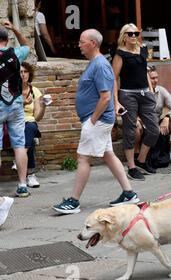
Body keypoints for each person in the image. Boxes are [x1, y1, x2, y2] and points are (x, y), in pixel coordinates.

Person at [53, 29, 140, 215]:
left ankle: (74, 202)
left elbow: (105, 97)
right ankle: (129, 193)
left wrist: (92, 121)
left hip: (97, 120)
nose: (79, 45)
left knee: (83, 158)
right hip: (98, 119)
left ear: (93, 43)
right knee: (108, 154)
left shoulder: (100, 65)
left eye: (82, 41)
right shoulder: (96, 63)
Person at [112, 23, 160, 181]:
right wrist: (116, 101)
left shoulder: (143, 49)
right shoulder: (120, 54)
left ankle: (141, 160)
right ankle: (132, 167)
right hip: (128, 95)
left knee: (154, 129)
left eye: (136, 33)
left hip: (145, 93)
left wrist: (151, 90)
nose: (133, 36)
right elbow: (114, 78)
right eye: (130, 33)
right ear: (124, 36)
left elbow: (144, 69)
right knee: (130, 130)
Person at [0, 21, 31, 198]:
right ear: (6, 39)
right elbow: (27, 44)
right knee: (19, 145)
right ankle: (22, 185)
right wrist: (15, 29)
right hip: (16, 105)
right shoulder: (16, 54)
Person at [146, 65, 171, 165]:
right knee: (136, 127)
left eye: (156, 77)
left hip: (158, 125)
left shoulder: (161, 90)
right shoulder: (140, 92)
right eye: (152, 78)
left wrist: (167, 117)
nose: (155, 80)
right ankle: (138, 157)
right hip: (145, 126)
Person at [20, 62, 51, 188]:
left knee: (31, 126)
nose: (23, 74)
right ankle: (31, 174)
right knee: (31, 140)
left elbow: (37, 117)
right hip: (13, 123)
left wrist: (43, 106)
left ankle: (19, 161)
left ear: (29, 74)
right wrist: (22, 103)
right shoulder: (11, 91)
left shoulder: (35, 91)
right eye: (20, 72)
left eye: (25, 72)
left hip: (29, 124)